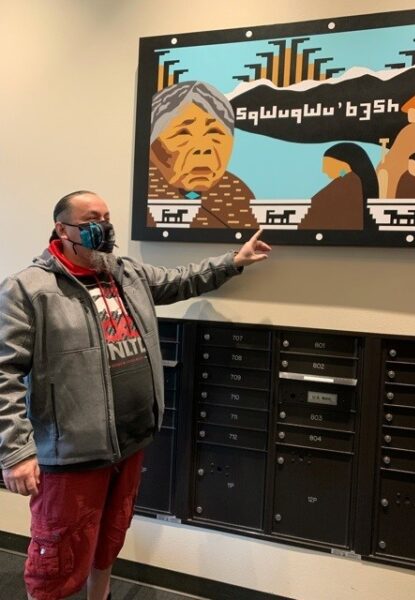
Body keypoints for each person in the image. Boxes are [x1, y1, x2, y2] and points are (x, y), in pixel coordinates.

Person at [0, 190, 271, 600]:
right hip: (73, 451)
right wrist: (16, 451)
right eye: (92, 218)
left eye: (107, 217)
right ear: (62, 228)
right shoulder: (28, 288)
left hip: (130, 439)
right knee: (57, 550)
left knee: (111, 532)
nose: (103, 227)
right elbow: (4, 371)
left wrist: (233, 261)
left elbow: (180, 280)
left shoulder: (124, 273)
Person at [148, 81, 258, 229]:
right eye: (183, 133)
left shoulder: (236, 192)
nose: (202, 147)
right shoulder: (147, 198)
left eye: (214, 132)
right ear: (152, 145)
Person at [299, 142, 378, 230]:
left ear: (345, 165)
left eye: (328, 165)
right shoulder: (347, 182)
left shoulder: (349, 182)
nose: (323, 170)